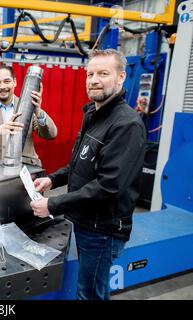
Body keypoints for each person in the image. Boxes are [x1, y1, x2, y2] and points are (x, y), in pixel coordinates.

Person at [30, 49, 146, 300]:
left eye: (103, 74)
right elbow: (80, 164)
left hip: (102, 230)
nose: (94, 80)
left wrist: (53, 204)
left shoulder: (126, 124)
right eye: (90, 73)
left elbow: (108, 186)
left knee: (90, 294)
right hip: (85, 221)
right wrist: (53, 179)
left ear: (121, 77)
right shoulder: (93, 114)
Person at [0, 65, 57, 166]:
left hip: (23, 167)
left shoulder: (27, 105)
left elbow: (51, 135)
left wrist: (37, 111)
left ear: (15, 82)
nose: (2, 87)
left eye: (7, 81)